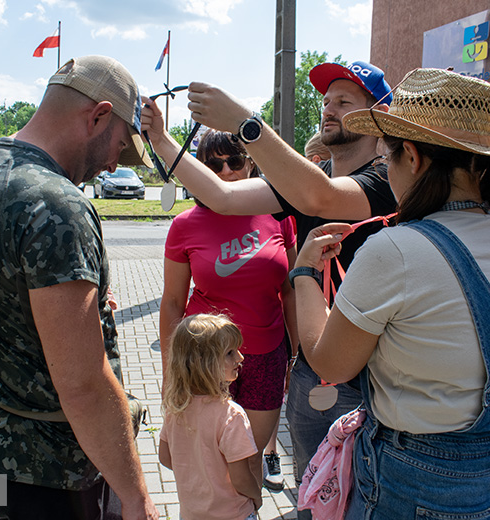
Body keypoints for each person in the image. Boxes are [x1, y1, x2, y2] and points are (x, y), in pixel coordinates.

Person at [294, 68, 490, 519]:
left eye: (387, 160)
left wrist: (304, 274)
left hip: (407, 483)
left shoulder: (396, 249)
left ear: (410, 157)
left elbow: (329, 363)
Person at [141, 60, 396, 514]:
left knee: (361, 498)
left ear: (377, 114)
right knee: (312, 490)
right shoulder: (304, 187)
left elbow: (322, 197)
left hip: (374, 376)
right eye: (325, 101)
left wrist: (244, 123)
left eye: (344, 101)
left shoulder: (386, 181)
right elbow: (221, 197)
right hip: (312, 371)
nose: (328, 109)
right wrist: (162, 141)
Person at [0, 55, 158, 519]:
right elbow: (83, 384)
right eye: (120, 145)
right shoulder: (56, 204)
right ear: (98, 115)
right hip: (56, 473)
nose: (113, 163)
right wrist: (137, 498)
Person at [159, 128, 297, 490]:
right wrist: (169, 371)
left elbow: (291, 289)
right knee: (207, 462)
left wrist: (298, 354)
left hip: (266, 356)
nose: (225, 173)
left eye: (234, 161)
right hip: (204, 361)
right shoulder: (184, 226)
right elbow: (173, 302)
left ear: (251, 163)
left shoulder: (280, 215)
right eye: (213, 165)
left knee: (248, 460)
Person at [160, 314, 261, 520]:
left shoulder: (176, 408)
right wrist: (256, 496)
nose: (240, 358)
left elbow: (165, 457)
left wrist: (199, 477)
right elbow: (241, 478)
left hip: (191, 513)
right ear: (204, 363)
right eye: (230, 353)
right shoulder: (231, 416)